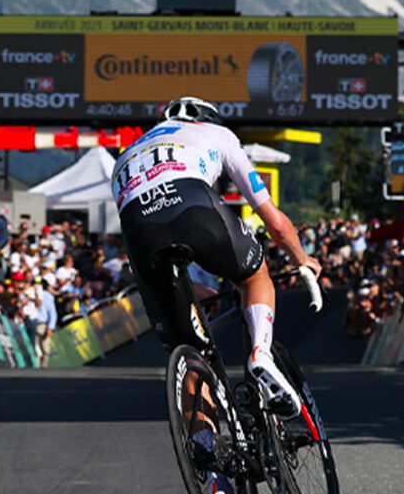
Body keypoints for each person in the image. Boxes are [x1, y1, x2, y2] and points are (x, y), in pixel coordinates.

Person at [113, 96, 321, 420]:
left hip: (140, 233)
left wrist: (187, 290)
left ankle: (204, 447)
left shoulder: (125, 156)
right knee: (254, 277)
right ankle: (261, 354)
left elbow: (148, 241)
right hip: (193, 204)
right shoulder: (217, 134)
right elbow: (273, 219)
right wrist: (301, 258)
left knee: (190, 353)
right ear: (208, 118)